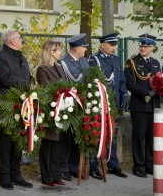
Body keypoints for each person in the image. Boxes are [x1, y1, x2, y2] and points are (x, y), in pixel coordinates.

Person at [0, 29, 34, 190]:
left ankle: (16, 174)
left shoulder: (21, 56)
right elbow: (5, 78)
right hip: (6, 104)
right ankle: (5, 176)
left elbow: (28, 76)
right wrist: (26, 84)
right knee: (5, 142)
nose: (21, 40)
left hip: (22, 103)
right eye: (19, 38)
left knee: (19, 139)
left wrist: (30, 83)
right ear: (11, 41)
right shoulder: (0, 56)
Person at [60, 33, 100, 181]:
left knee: (79, 138)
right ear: (77, 48)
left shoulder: (84, 61)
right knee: (67, 138)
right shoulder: (64, 62)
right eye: (84, 47)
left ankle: (74, 167)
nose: (85, 50)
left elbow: (88, 80)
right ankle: (63, 168)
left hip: (84, 104)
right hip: (69, 104)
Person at [88, 32, 128, 178]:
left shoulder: (116, 60)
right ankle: (94, 166)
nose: (113, 48)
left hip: (115, 104)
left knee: (113, 136)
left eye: (115, 45)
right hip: (100, 104)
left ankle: (113, 165)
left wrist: (124, 97)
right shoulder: (94, 59)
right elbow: (92, 82)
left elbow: (121, 81)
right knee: (97, 135)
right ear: (103, 44)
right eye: (111, 45)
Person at [124, 34, 161, 178]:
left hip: (154, 105)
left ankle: (149, 165)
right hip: (139, 105)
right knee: (139, 136)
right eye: (141, 45)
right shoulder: (132, 62)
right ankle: (138, 166)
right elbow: (130, 84)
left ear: (152, 48)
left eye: (146, 46)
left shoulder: (156, 63)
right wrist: (147, 92)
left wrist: (157, 92)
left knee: (152, 137)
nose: (142, 48)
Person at [36, 40, 67, 186]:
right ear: (51, 52)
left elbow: (65, 85)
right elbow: (46, 88)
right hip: (50, 110)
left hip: (61, 110)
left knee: (58, 144)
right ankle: (46, 176)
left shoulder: (59, 67)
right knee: (48, 144)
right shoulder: (42, 69)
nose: (61, 52)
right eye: (58, 50)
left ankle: (56, 175)